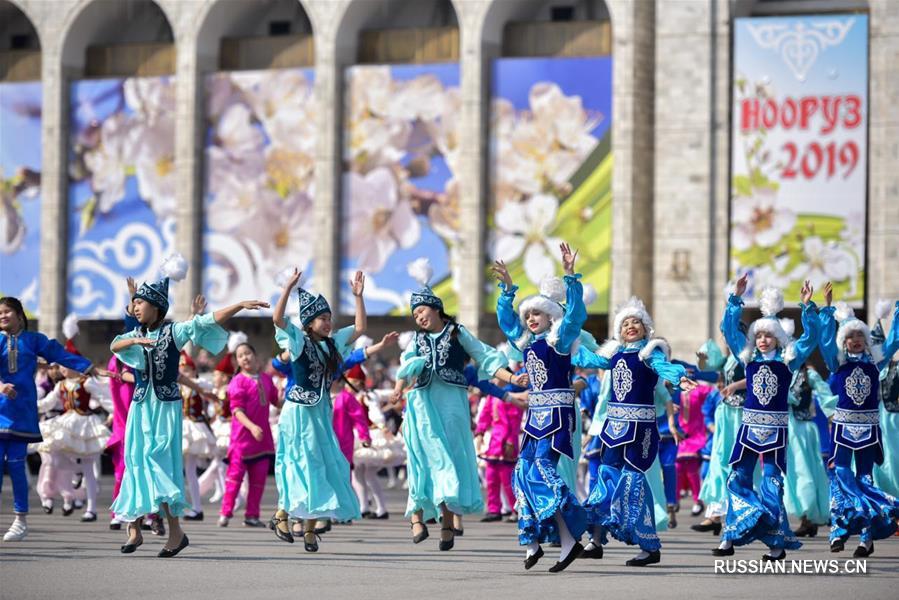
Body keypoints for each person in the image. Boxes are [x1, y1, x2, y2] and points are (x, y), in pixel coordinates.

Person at [110, 253, 268, 557]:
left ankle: (175, 532)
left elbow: (206, 321)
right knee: (135, 461)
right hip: (141, 408)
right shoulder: (136, 334)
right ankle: (133, 526)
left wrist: (237, 305)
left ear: (155, 307)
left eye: (139, 303)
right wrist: (133, 342)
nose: (134, 307)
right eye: (134, 304)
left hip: (166, 409)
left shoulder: (173, 332)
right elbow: (115, 345)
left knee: (162, 465)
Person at [393, 258, 520, 552]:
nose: (419, 317)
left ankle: (448, 520)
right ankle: (418, 517)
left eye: (422, 310)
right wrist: (398, 389)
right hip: (422, 403)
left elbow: (485, 357)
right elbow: (406, 368)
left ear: (436, 308)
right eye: (414, 314)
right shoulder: (416, 341)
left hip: (451, 402)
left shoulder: (457, 332)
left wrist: (511, 377)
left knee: (449, 456)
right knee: (425, 458)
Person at [492, 243, 591, 572]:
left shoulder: (559, 340)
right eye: (528, 314)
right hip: (535, 417)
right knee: (522, 473)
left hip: (558, 416)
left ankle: (571, 535)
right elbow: (508, 324)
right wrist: (507, 290)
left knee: (544, 473)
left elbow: (576, 316)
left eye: (537, 313)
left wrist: (570, 277)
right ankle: (537, 543)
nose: (531, 319)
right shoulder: (528, 344)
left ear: (551, 317)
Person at [577, 296, 696, 566]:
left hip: (641, 431)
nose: (630, 326)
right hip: (613, 430)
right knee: (605, 480)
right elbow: (586, 354)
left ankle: (649, 546)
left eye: (636, 322)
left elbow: (665, 367)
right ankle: (596, 540)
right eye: (625, 323)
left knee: (633, 485)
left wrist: (679, 377)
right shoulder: (614, 355)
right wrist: (566, 336)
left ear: (646, 328)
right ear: (619, 331)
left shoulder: (650, 353)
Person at [712, 275, 819, 561]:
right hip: (748, 428)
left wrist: (807, 308)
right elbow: (728, 329)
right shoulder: (747, 358)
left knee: (772, 482)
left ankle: (776, 544)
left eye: (768, 335)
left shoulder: (788, 360)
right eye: (758, 335)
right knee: (737, 477)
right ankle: (730, 535)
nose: (762, 340)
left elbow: (811, 339)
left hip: (775, 430)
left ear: (779, 338)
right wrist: (735, 299)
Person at [269, 268, 367, 552]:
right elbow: (277, 319)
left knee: (321, 466)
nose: (328, 322)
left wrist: (358, 297)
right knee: (299, 464)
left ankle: (310, 530)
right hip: (298, 413)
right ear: (309, 323)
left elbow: (360, 329)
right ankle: (282, 514)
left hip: (322, 412)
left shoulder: (333, 344)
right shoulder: (299, 341)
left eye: (329, 318)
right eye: (323, 318)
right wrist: (287, 288)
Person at [1, 296, 95, 542]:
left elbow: (60, 354)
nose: (2, 316)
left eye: (7, 312)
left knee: (16, 466)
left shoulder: (34, 341)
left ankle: (20, 520)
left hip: (22, 412)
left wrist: (90, 368)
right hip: (0, 411)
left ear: (20, 315)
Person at [819, 285, 899, 557]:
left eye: (859, 335)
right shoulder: (837, 363)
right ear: (845, 341)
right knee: (840, 473)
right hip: (842, 428)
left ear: (866, 340)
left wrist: (898, 312)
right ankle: (839, 530)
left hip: (868, 427)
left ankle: (866, 538)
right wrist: (828, 308)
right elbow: (826, 342)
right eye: (850, 335)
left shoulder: (875, 363)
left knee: (864, 476)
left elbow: (894, 341)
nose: (855, 339)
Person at [218, 342, 279, 527]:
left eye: (247, 353)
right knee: (235, 478)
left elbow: (277, 401)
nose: (245, 358)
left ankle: (252, 515)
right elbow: (236, 411)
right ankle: (226, 512)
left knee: (259, 480)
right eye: (240, 356)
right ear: (237, 361)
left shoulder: (267, 379)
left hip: (262, 438)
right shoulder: (237, 381)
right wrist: (252, 427)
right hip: (242, 438)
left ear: (255, 356)